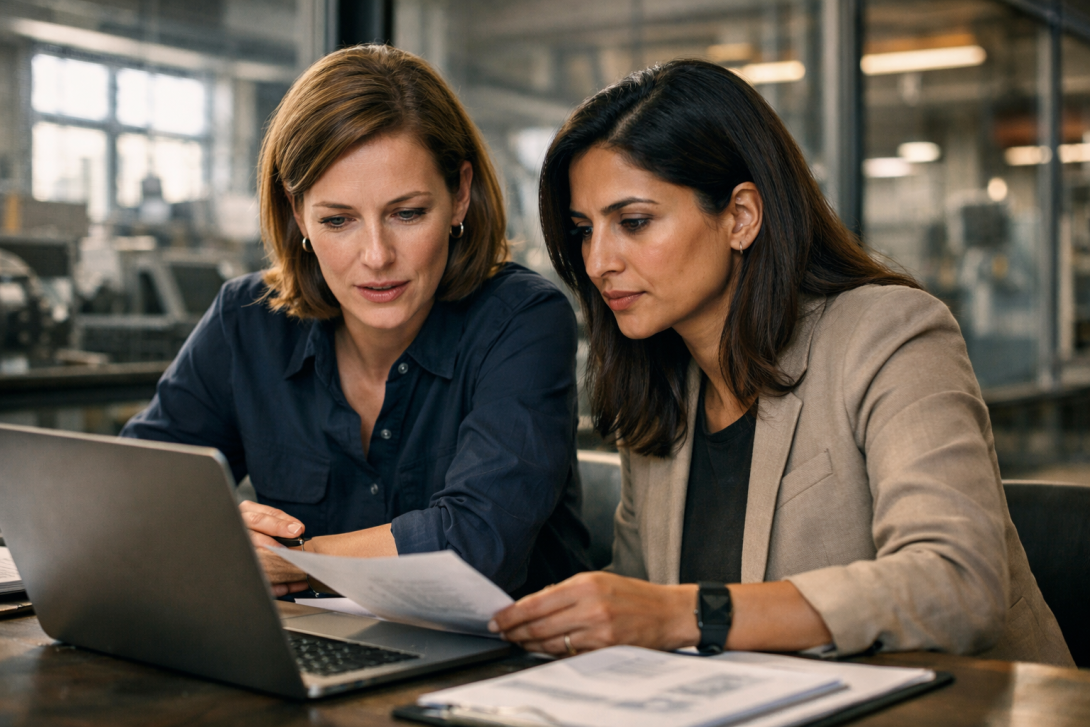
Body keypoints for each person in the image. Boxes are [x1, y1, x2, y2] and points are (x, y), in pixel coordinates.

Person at [489, 59, 1073, 666]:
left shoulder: (889, 335)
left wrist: (680, 615)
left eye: (633, 222)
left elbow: (956, 585)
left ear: (741, 216)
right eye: (584, 231)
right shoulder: (660, 388)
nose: (597, 262)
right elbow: (642, 601)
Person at [121, 44, 590, 598]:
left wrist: (296, 558)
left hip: (500, 667)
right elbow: (132, 491)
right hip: (312, 652)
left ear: (460, 195)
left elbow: (476, 545)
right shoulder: (247, 322)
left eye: (407, 214)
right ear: (298, 214)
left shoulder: (522, 322)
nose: (376, 255)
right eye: (338, 220)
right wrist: (218, 526)